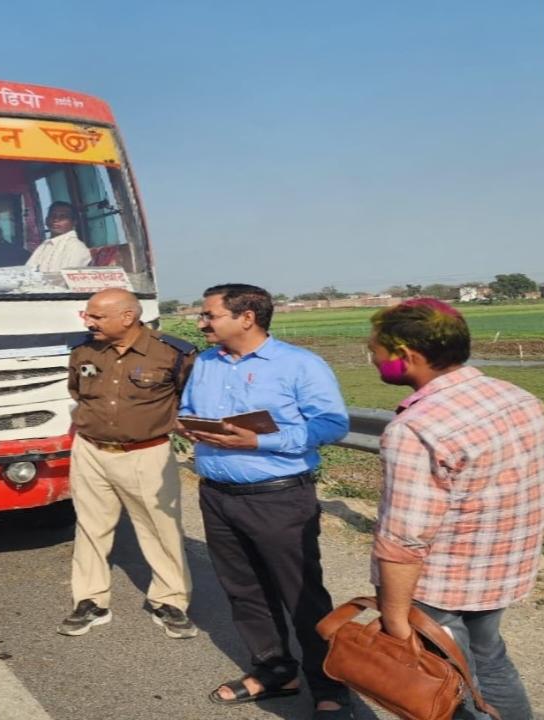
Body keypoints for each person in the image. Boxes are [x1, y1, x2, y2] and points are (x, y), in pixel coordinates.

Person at [368, 298, 544, 720]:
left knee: (446, 681)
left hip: (441, 583)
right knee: (489, 656)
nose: (373, 359)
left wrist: (395, 618)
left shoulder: (415, 428)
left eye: (375, 350)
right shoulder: (517, 397)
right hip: (501, 567)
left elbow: (404, 539)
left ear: (406, 356)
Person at [179, 284, 352, 719]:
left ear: (247, 317)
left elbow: (332, 424)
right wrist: (189, 425)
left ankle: (329, 686)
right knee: (244, 590)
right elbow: (188, 407)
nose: (201, 323)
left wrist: (260, 441)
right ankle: (275, 671)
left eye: (209, 315)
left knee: (302, 594)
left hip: (278, 497)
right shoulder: (205, 363)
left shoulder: (300, 364)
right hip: (217, 495)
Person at [58, 288, 198, 639]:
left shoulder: (173, 353)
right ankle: (90, 600)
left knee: (160, 529)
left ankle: (170, 600)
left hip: (147, 453)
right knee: (91, 528)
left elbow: (189, 399)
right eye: (88, 315)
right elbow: (77, 392)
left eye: (97, 316)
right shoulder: (83, 351)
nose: (88, 322)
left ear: (128, 317)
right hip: (90, 451)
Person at [26, 201, 92, 272]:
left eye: (62, 217)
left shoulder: (76, 247)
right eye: (53, 216)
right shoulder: (44, 245)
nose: (56, 220)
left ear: (74, 222)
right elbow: (27, 271)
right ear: (46, 220)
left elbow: (67, 276)